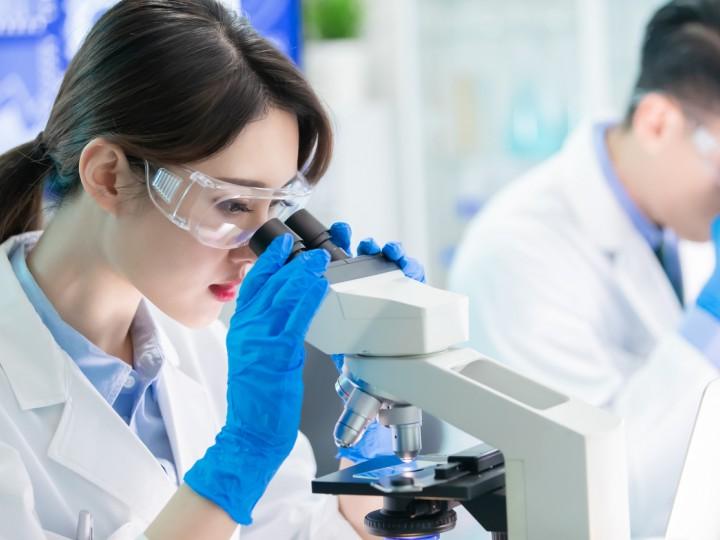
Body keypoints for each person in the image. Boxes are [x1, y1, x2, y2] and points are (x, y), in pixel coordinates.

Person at [0, 1, 424, 539]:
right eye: (230, 206)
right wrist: (241, 457)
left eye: (273, 212)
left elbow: (300, 531)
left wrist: (375, 455)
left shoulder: (208, 356)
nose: (257, 253)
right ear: (108, 177)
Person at [449, 1, 720, 537]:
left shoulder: (678, 214)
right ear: (658, 122)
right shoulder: (519, 252)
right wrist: (710, 319)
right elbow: (600, 497)